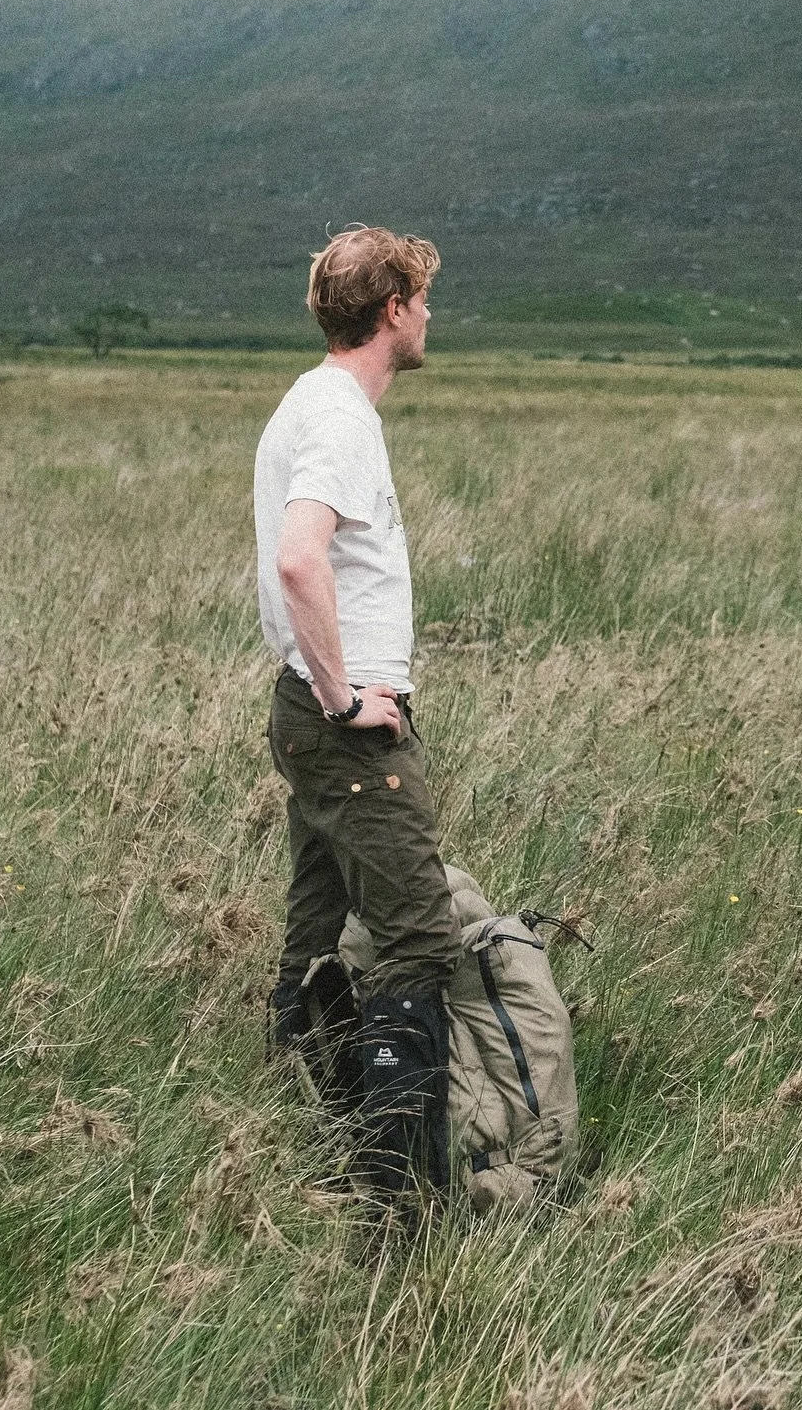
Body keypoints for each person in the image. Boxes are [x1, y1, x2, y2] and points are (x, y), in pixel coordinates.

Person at [253, 226, 461, 1202]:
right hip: (344, 723)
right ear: (392, 309)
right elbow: (301, 557)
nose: (429, 315)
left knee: (314, 932)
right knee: (420, 939)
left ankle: (284, 1136)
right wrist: (345, 698)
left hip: (308, 712)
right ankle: (397, 1196)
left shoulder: (312, 401)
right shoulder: (339, 417)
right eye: (421, 299)